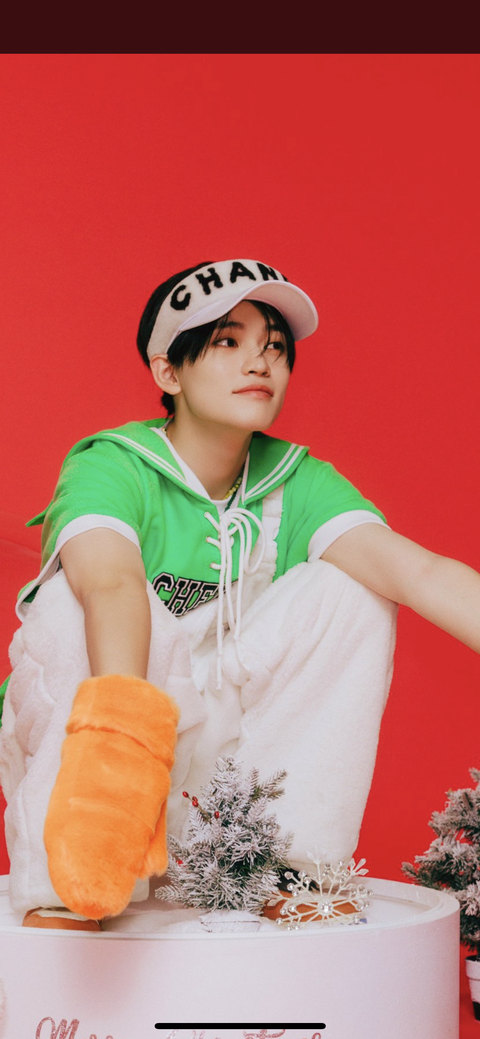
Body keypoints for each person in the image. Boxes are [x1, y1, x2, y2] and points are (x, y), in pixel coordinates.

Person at [0, 257, 479, 933]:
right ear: (168, 372)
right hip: (103, 755)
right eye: (227, 340)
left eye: (274, 346)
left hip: (217, 764)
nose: (260, 361)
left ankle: (277, 863)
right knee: (72, 605)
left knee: (356, 589)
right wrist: (120, 745)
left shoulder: (296, 479)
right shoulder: (112, 464)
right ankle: (68, 886)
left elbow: (420, 574)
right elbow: (109, 581)